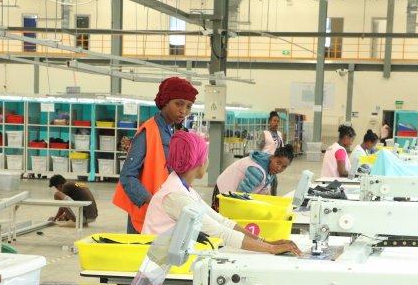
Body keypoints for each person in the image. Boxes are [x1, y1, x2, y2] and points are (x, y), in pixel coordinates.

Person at [143, 130, 301, 256]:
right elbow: (219, 231)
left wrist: (266, 241)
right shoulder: (175, 196)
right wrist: (270, 249)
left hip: (168, 253)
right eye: (206, 156)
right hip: (158, 261)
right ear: (198, 161)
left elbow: (222, 221)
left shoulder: (183, 188)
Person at [115, 76, 198, 233]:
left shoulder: (173, 131)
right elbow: (127, 176)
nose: (184, 111)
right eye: (179, 104)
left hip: (166, 211)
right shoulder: (149, 131)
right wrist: (154, 202)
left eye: (188, 106)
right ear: (165, 101)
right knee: (142, 256)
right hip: (147, 211)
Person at [214, 144, 295, 202]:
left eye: (284, 167)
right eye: (278, 163)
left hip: (235, 192)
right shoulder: (258, 171)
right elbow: (241, 194)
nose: (279, 168)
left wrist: (272, 202)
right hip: (224, 189)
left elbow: (263, 188)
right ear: (273, 157)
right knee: (221, 221)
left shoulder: (270, 166)